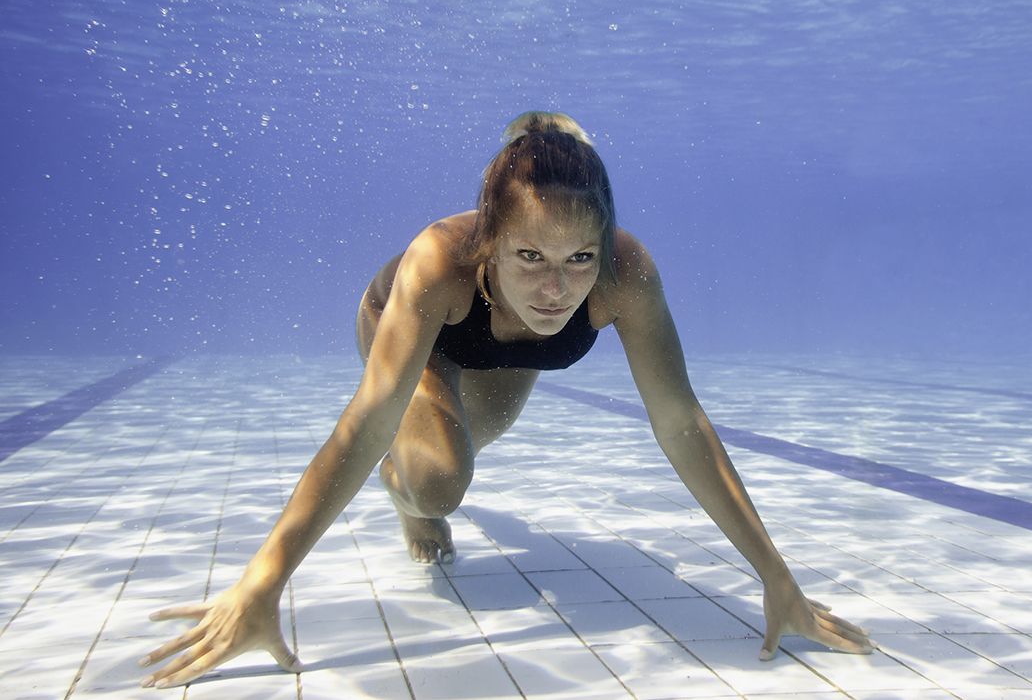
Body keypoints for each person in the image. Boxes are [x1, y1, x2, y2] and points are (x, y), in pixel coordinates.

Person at [139, 112, 874, 689]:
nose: (556, 289)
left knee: (464, 447)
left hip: (505, 348)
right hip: (419, 328)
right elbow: (365, 421)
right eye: (530, 257)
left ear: (603, 249)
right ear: (490, 241)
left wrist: (776, 576)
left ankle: (431, 459)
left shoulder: (627, 274)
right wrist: (262, 581)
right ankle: (410, 494)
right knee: (436, 483)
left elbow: (681, 420)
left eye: (578, 259)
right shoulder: (439, 263)